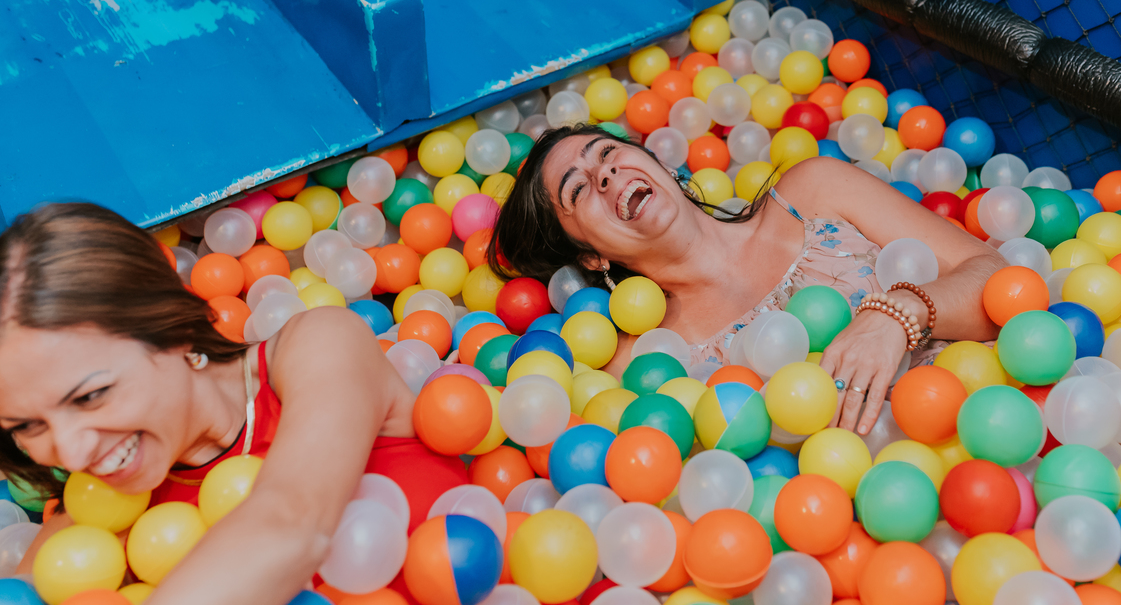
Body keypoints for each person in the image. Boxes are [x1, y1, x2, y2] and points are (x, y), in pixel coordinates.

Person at [0, 203, 466, 604]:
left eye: (90, 396)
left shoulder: (318, 346)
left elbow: (290, 524)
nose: (74, 454)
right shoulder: (94, 508)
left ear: (169, 327)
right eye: (27, 425)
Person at [491, 124, 1005, 435]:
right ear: (591, 258)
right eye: (578, 190)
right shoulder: (646, 360)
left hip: (1009, 413)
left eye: (606, 154)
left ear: (654, 162)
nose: (603, 175)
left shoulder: (815, 192)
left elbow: (999, 279)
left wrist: (895, 317)